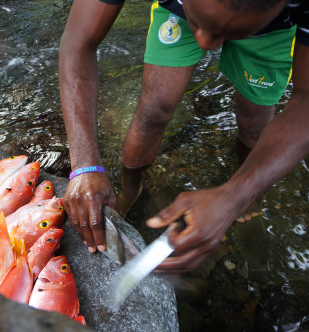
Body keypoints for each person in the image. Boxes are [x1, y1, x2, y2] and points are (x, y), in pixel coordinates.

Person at [59, 0, 309, 274]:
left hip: (272, 34)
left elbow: (305, 103)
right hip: (176, 11)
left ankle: (249, 191)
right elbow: (78, 42)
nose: (205, 44)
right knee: (153, 112)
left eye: (223, 34)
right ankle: (131, 189)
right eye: (199, 25)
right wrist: (85, 165)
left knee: (254, 122)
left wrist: (236, 195)